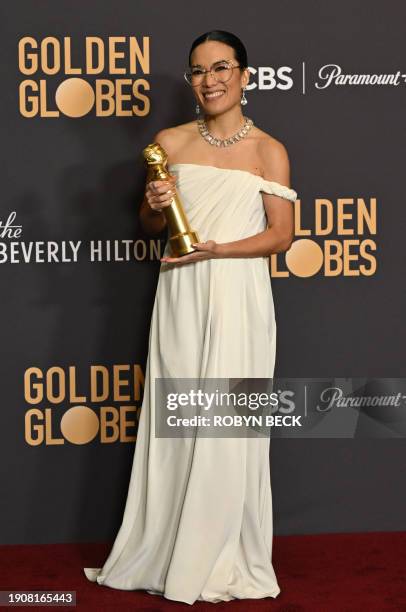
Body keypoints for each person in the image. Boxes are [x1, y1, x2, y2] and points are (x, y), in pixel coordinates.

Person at [84, 29, 297, 604]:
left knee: (230, 425)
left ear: (245, 75)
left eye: (222, 67)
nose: (211, 80)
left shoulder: (268, 150)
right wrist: (153, 209)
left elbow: (282, 235)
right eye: (199, 71)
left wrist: (220, 251)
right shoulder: (169, 142)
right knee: (180, 419)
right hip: (180, 291)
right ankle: (168, 548)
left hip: (239, 294)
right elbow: (153, 228)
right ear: (192, 80)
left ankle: (221, 553)